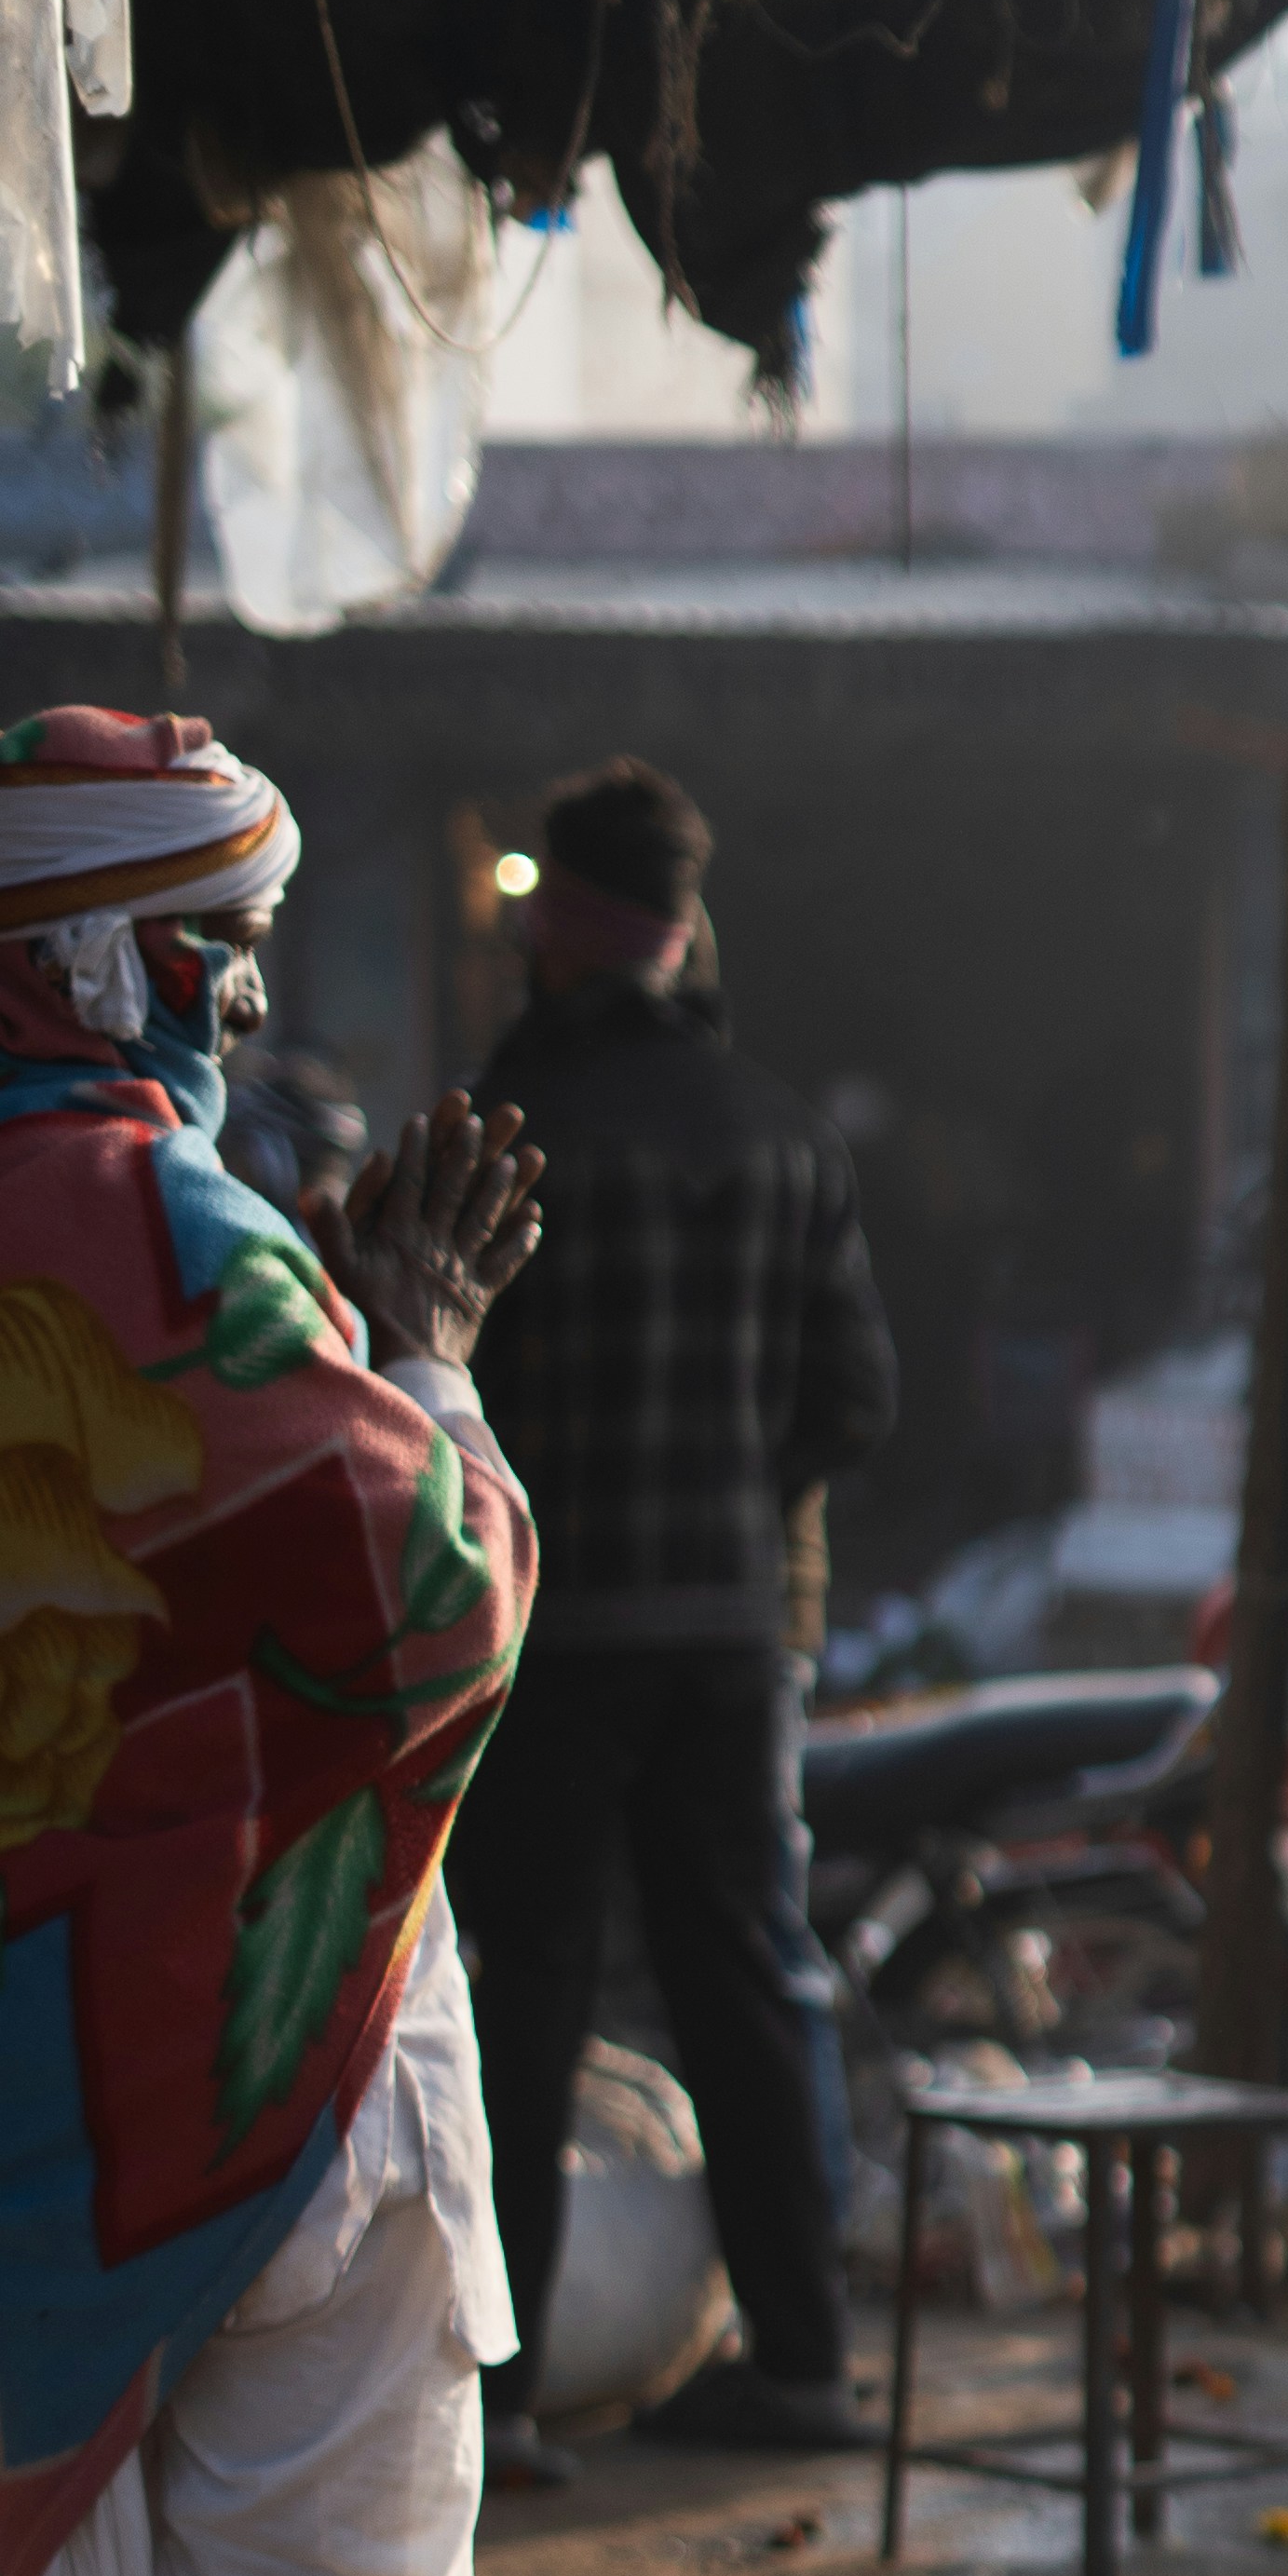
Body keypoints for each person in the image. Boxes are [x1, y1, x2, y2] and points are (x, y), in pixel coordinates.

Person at [0, 703, 613, 2576]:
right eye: (215, 966)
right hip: (279, 2059)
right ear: (108, 963)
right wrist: (440, 1346)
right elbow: (431, 1597)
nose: (230, 1018)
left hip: (31, 2098)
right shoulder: (160, 1225)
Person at [450, 761, 896, 2479]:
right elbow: (857, 1398)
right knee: (748, 1969)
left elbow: (431, 1368)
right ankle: (804, 2363)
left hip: (545, 1632)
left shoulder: (510, 1123)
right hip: (729, 1636)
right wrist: (736, 1490)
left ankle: (491, 2400)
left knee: (525, 1990)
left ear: (561, 930)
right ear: (684, 933)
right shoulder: (782, 1131)